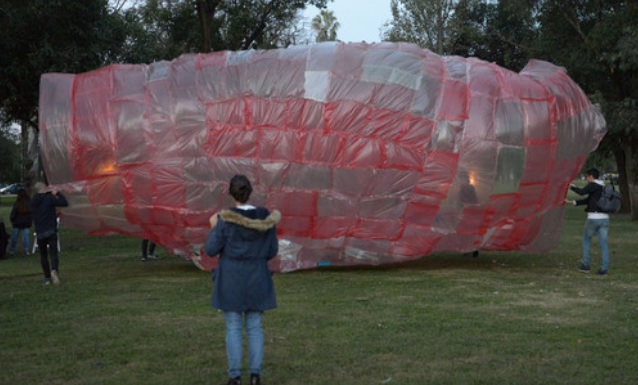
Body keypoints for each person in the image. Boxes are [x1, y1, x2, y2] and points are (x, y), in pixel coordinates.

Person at [205, 175, 281, 385]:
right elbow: (272, 250)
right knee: (255, 326)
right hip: (257, 276)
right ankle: (255, 376)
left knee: (233, 327)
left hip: (231, 278)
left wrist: (214, 226)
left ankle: (235, 377)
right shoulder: (265, 219)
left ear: (231, 193)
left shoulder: (225, 220)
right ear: (250, 191)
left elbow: (211, 250)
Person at [565, 167, 609, 275]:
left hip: (593, 218)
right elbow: (589, 200)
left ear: (591, 177)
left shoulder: (593, 185)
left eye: (587, 177)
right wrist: (573, 203)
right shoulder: (603, 187)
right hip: (605, 218)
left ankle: (586, 265)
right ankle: (604, 268)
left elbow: (581, 192)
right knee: (603, 243)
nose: (586, 180)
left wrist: (571, 186)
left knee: (586, 240)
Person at [30, 182, 68, 286]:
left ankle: (47, 277)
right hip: (50, 229)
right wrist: (57, 194)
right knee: (53, 253)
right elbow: (64, 203)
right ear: (45, 189)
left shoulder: (33, 201)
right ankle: (54, 270)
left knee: (43, 255)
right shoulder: (49, 198)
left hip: (40, 231)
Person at [9, 189, 32, 256]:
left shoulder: (17, 203)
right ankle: (27, 250)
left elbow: (13, 214)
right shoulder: (29, 203)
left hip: (17, 223)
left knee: (14, 237)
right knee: (25, 236)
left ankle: (12, 249)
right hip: (26, 223)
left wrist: (12, 220)